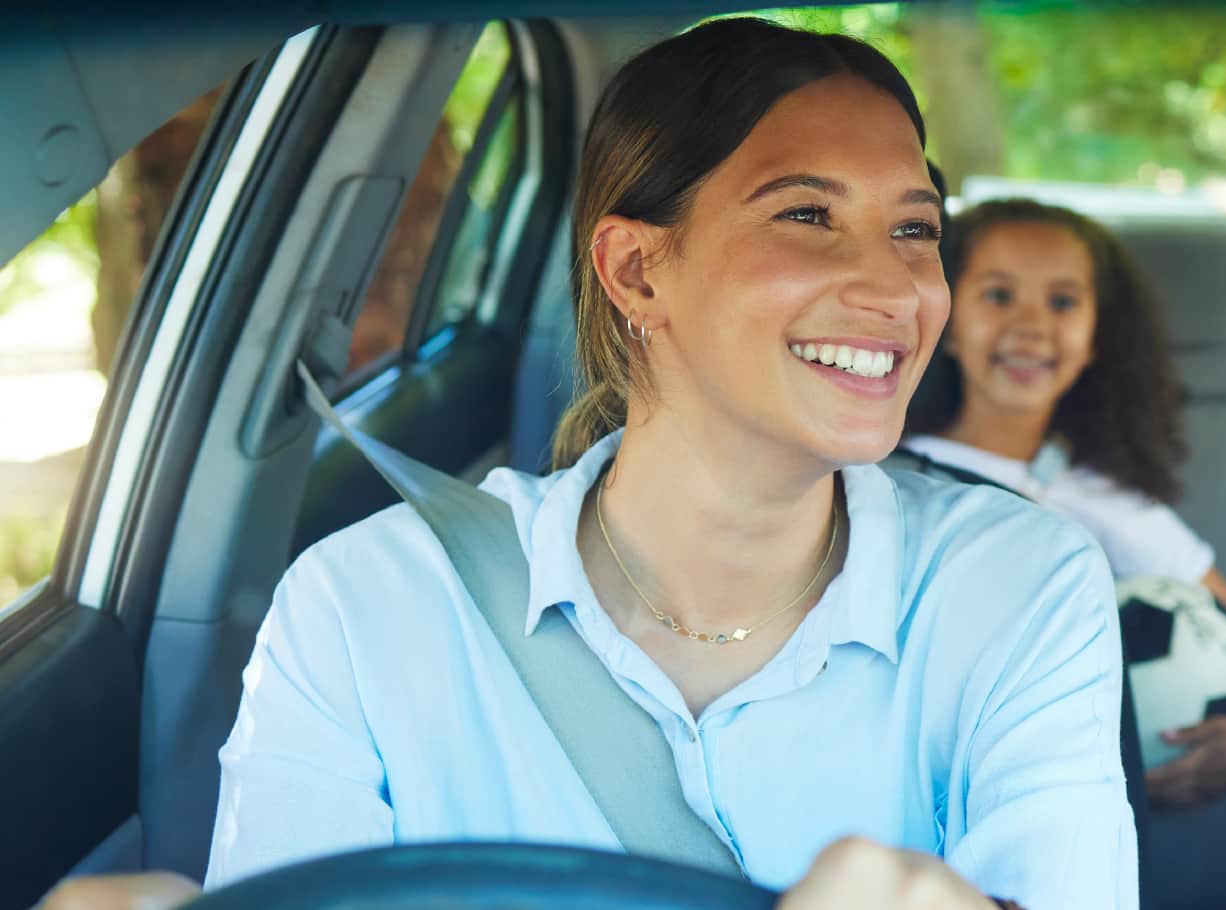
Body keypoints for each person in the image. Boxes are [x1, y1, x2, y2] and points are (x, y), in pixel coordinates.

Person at [37, 21, 1134, 910]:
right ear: (636, 270)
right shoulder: (361, 610)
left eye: (914, 229)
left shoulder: (1020, 584)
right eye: (808, 215)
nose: (896, 288)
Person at [895, 198, 1226, 809]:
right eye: (998, 295)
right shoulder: (880, 464)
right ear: (947, 319)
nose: (1031, 325)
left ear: (1097, 339)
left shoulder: (1107, 504)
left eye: (1063, 302)